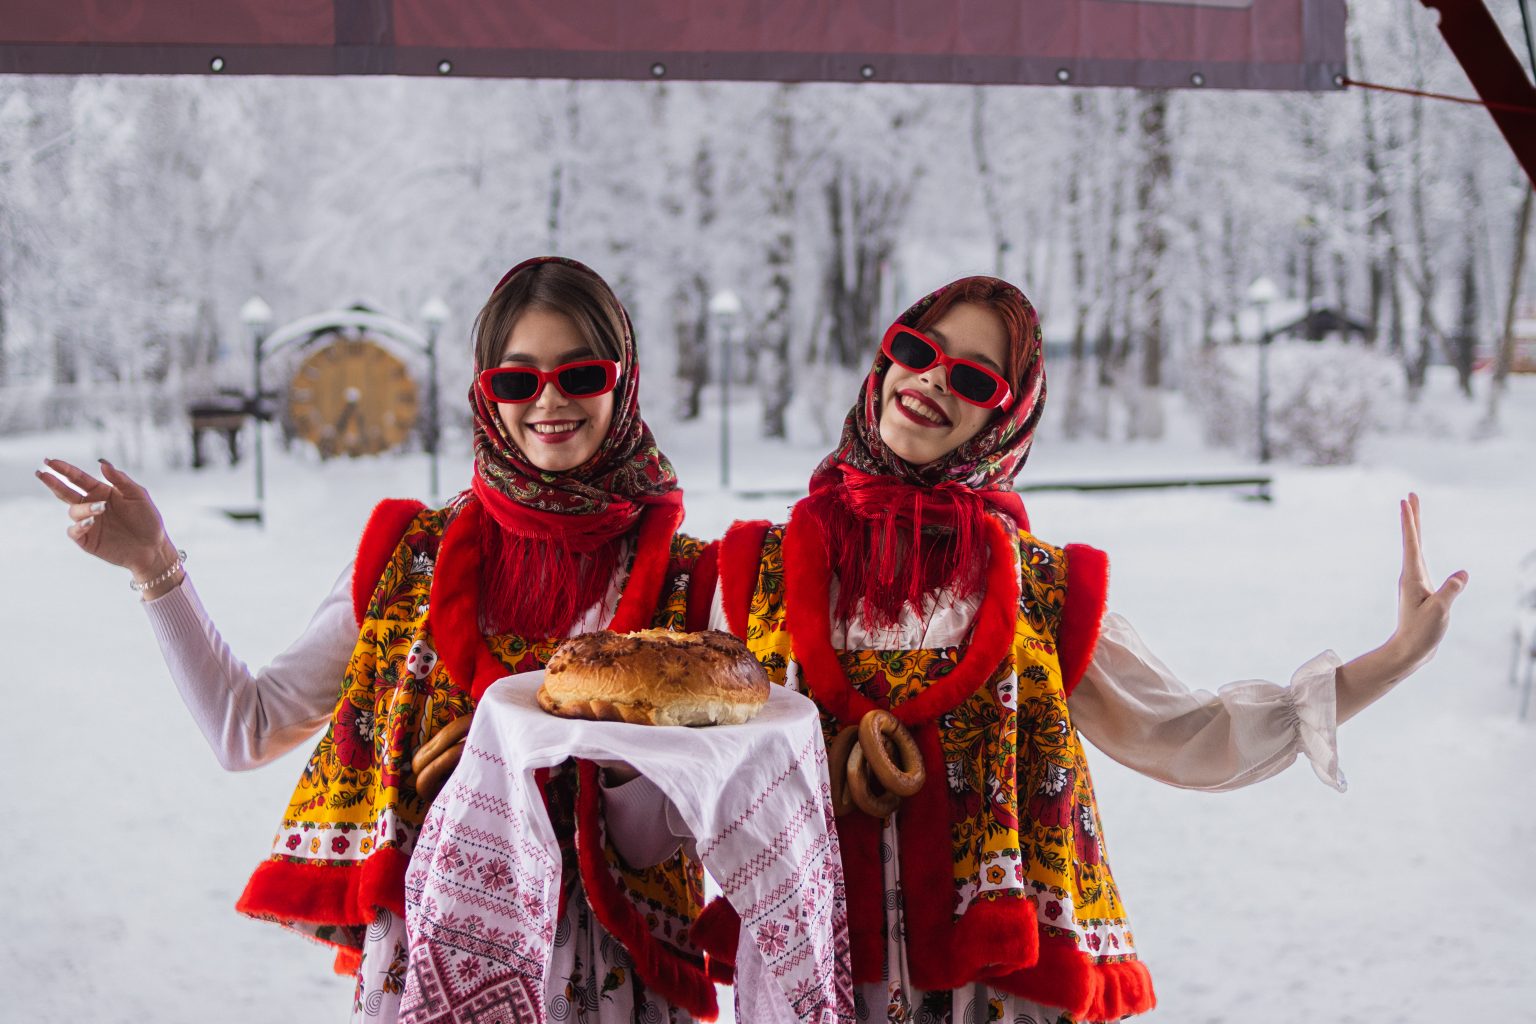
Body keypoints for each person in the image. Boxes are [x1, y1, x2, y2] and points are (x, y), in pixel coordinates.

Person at [710, 275, 1467, 1024]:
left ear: (1008, 422)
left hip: (991, 992)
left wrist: (1395, 658)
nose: (935, 377)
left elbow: (1192, 736)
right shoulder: (757, 574)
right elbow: (664, 753)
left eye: (975, 378)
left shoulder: (1041, 592)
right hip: (808, 976)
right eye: (919, 348)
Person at [36, 257, 726, 1024]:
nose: (550, 400)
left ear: (622, 382)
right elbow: (249, 728)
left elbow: (663, 841)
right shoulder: (409, 561)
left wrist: (525, 766)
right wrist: (154, 566)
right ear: (484, 393)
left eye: (581, 373)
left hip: (609, 980)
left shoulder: (687, 590)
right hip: (427, 968)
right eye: (517, 379)